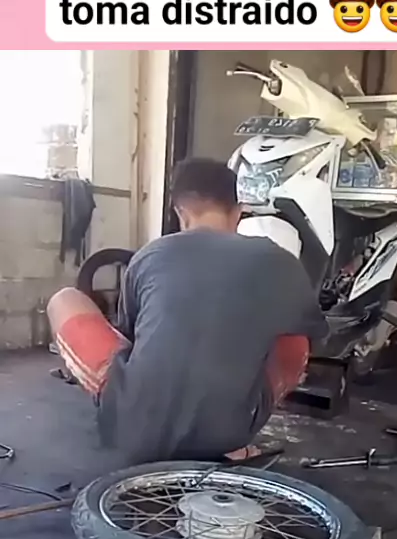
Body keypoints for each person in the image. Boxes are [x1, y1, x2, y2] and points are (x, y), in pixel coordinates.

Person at [47, 158, 328, 466]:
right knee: (295, 339)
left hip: (131, 435)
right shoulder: (280, 260)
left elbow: (129, 338)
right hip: (228, 434)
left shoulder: (149, 255)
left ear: (180, 213)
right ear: (238, 211)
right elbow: (310, 340)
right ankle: (226, 440)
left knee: (64, 299)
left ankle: (129, 407)